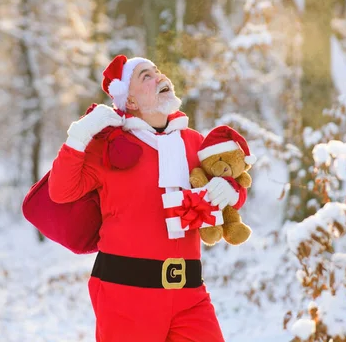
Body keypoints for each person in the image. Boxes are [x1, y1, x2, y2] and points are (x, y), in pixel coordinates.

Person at [48, 55, 247, 342]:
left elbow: (235, 184)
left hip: (189, 295)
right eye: (146, 76)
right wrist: (79, 136)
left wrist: (233, 191)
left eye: (158, 72)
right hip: (126, 294)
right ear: (129, 102)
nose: (160, 78)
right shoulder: (110, 146)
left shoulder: (195, 142)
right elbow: (61, 191)